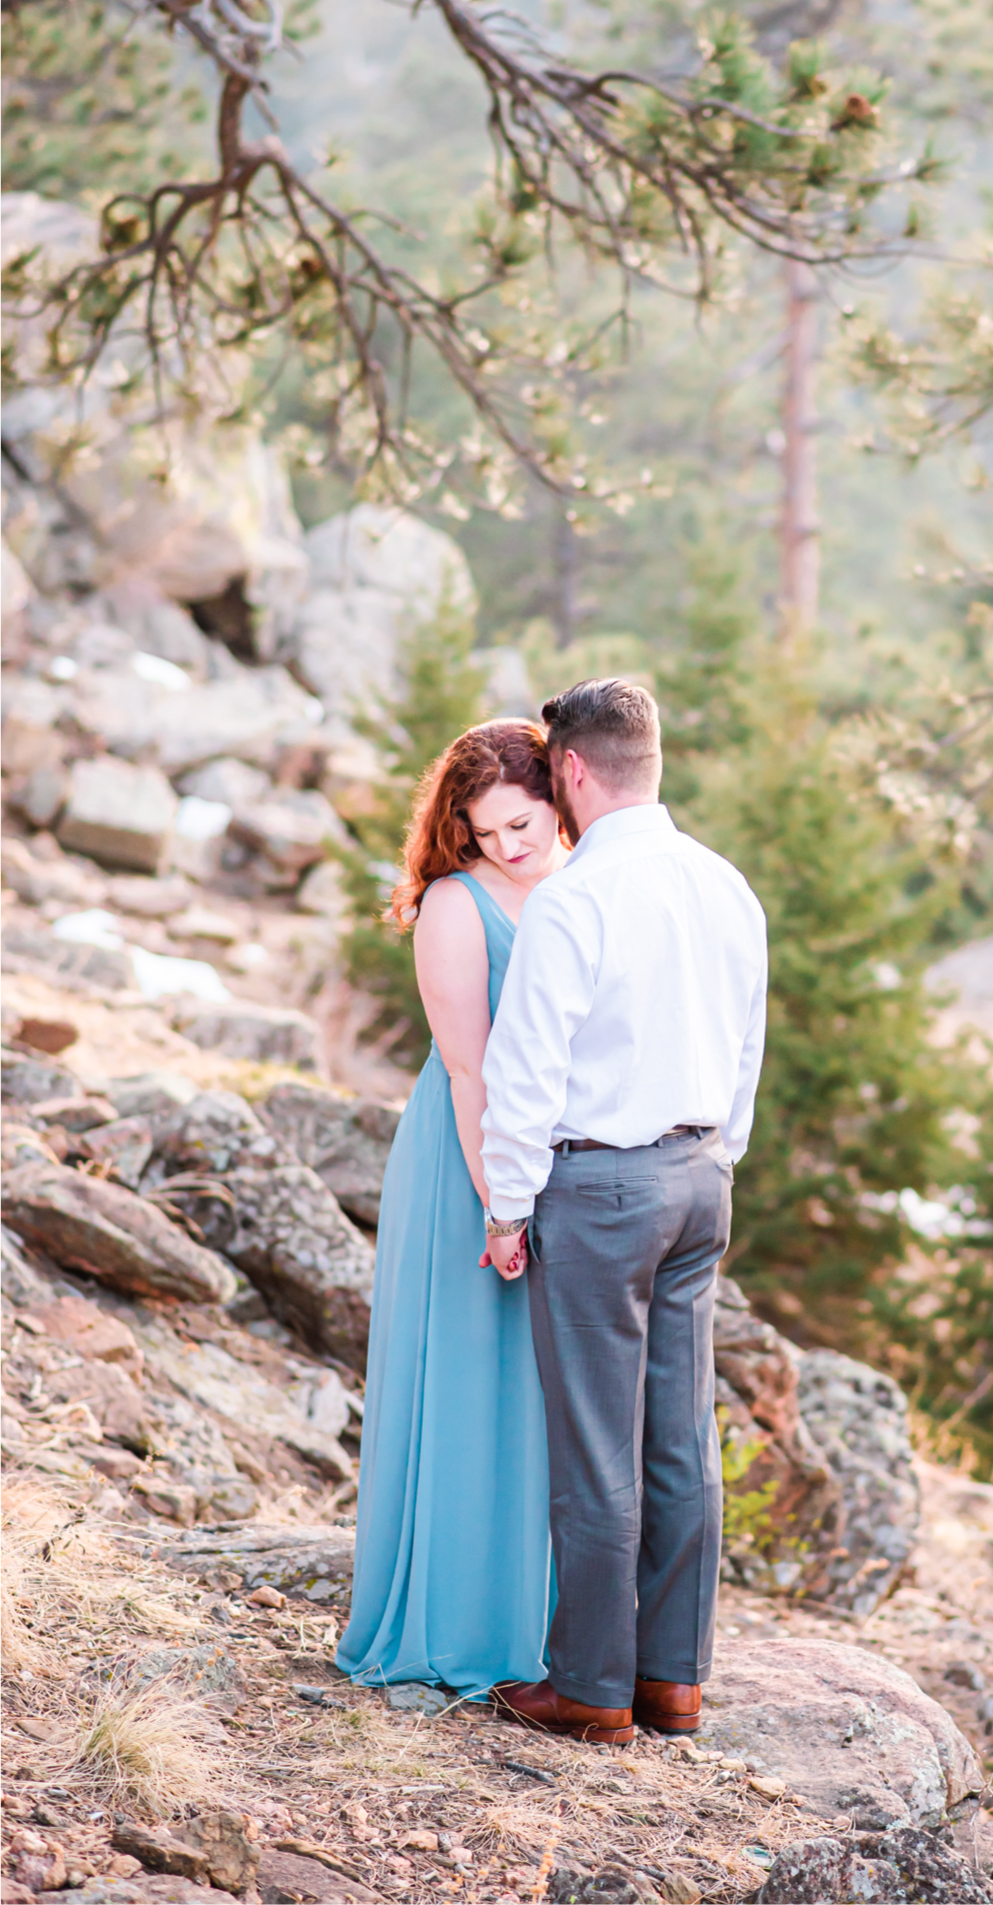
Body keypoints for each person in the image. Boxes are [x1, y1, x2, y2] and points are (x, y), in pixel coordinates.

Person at [478, 677, 768, 1746]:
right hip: (699, 1178)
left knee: (599, 1448)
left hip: (601, 1189)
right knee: (680, 1438)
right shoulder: (726, 884)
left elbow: (526, 1072)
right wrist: (717, 1157)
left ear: (570, 770)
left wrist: (508, 1210)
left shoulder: (575, 899)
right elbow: (745, 1046)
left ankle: (593, 1689)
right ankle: (671, 1682)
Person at [337, 720, 563, 1697]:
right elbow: (470, 1072)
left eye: (522, 823)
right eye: (485, 830)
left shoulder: (581, 883)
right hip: (467, 1166)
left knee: (541, 1400)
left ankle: (540, 1632)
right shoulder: (455, 903)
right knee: (470, 1378)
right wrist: (498, 1206)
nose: (507, 846)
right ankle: (450, 1625)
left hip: (557, 1165)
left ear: (559, 799)